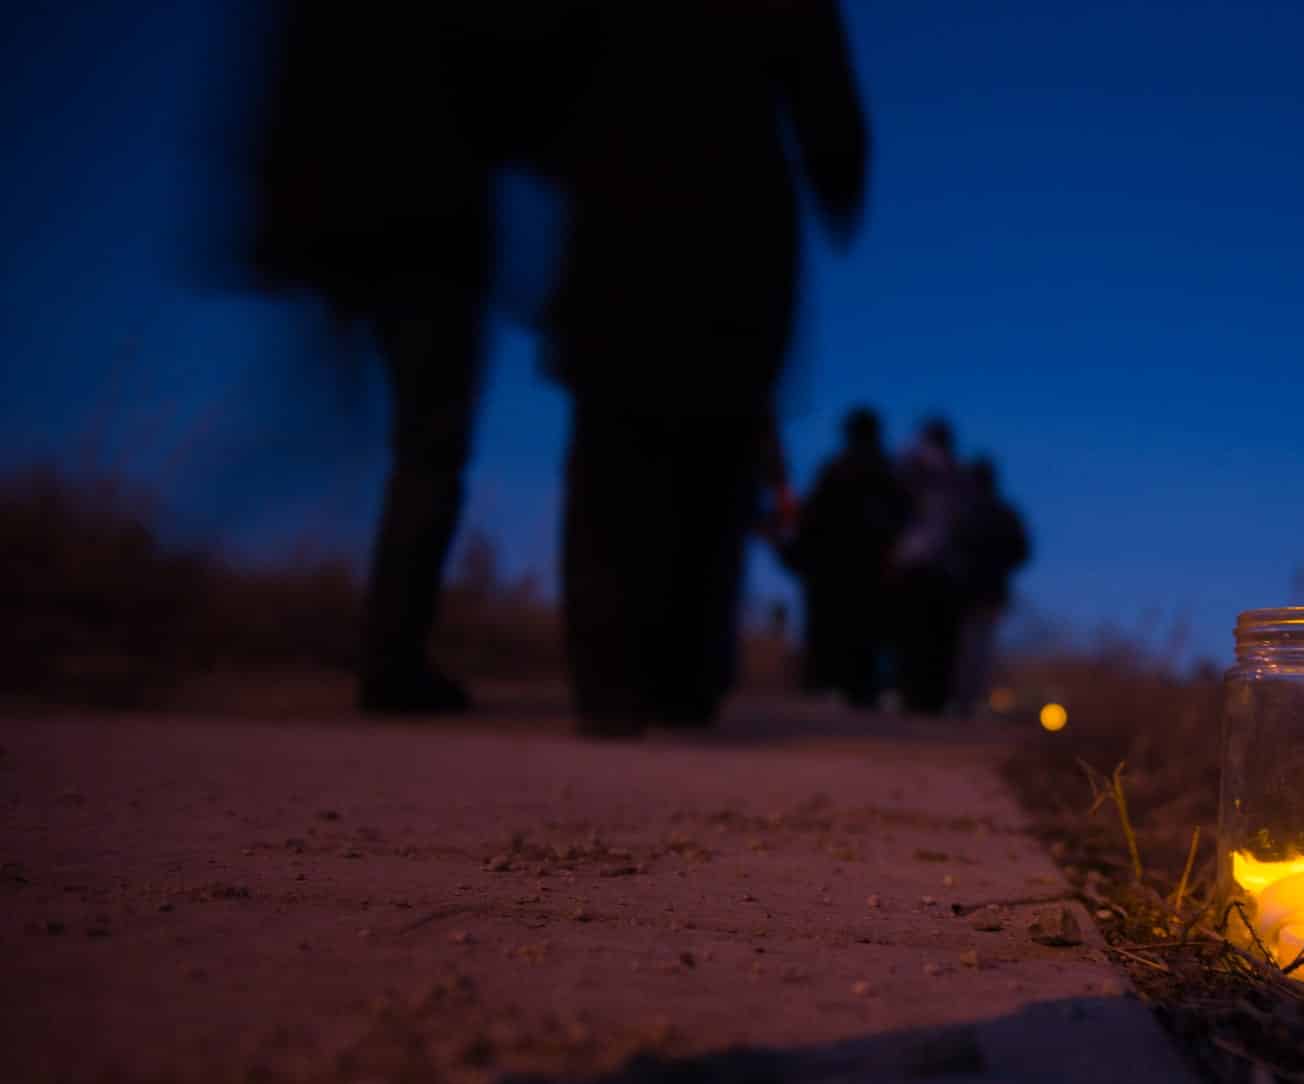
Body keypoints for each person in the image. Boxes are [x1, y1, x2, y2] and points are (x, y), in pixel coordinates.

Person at [225, 0, 578, 714]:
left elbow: (285, 86)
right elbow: (522, 102)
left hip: (340, 218)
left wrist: (279, 220)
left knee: (336, 430)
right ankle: (388, 656)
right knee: (429, 448)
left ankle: (193, 603)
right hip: (431, 235)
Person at [539, 1, 869, 736]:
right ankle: (681, 673)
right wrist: (837, 169)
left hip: (615, 212)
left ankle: (612, 678)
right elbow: (825, 95)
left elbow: (533, 77)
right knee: (709, 460)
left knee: (616, 458)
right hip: (731, 222)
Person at [783, 406, 910, 707]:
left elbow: (813, 516)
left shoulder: (838, 468)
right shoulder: (885, 470)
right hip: (869, 564)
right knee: (866, 631)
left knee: (837, 628)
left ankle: (833, 685)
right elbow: (902, 515)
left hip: (837, 565)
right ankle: (860, 688)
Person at [888, 417, 974, 715]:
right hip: (945, 568)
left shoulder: (909, 468)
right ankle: (931, 699)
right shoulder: (959, 476)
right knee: (940, 639)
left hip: (915, 561)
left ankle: (911, 695)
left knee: (912, 633)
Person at [951, 456, 1031, 716]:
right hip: (988, 590)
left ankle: (965, 699)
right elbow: (1021, 550)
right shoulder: (1002, 514)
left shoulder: (967, 513)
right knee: (979, 646)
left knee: (966, 645)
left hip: (968, 589)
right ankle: (970, 699)